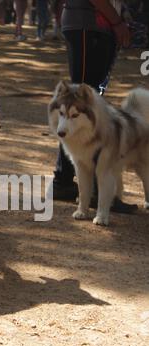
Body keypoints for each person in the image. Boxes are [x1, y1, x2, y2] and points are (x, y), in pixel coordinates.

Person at [52, 0, 137, 214]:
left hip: (99, 27)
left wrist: (121, 15)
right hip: (87, 25)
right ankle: (72, 183)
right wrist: (117, 22)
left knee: (92, 105)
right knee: (79, 102)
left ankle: (77, 183)